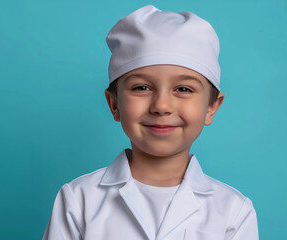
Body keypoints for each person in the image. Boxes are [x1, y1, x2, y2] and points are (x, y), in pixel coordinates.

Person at [43, 5, 258, 240]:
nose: (161, 106)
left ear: (211, 107)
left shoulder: (233, 211)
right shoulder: (78, 199)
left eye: (183, 89)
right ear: (114, 104)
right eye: (142, 88)